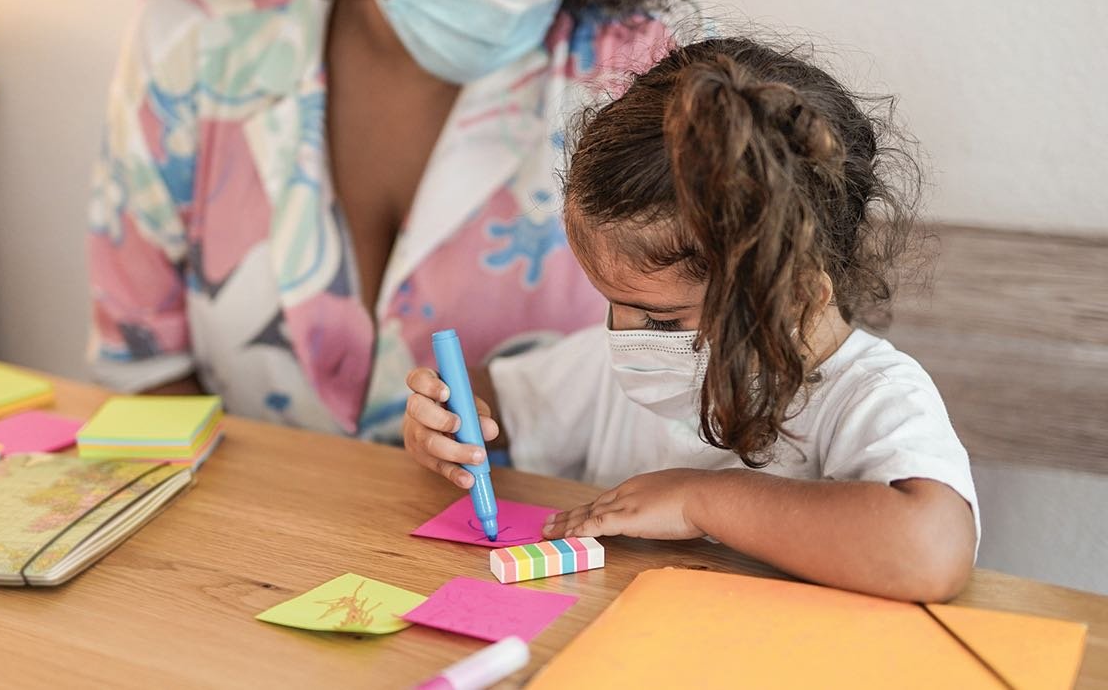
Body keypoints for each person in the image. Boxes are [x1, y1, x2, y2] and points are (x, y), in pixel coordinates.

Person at [88, 0, 747, 441]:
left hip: (538, 548)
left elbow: (704, 377)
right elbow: (143, 362)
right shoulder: (201, 23)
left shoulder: (653, 65)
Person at [402, 38, 979, 601]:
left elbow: (930, 551)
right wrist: (448, 419)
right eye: (613, 305)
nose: (624, 336)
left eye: (660, 321)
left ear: (795, 297)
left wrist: (700, 498)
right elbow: (492, 396)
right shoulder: (613, 365)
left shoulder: (869, 396)